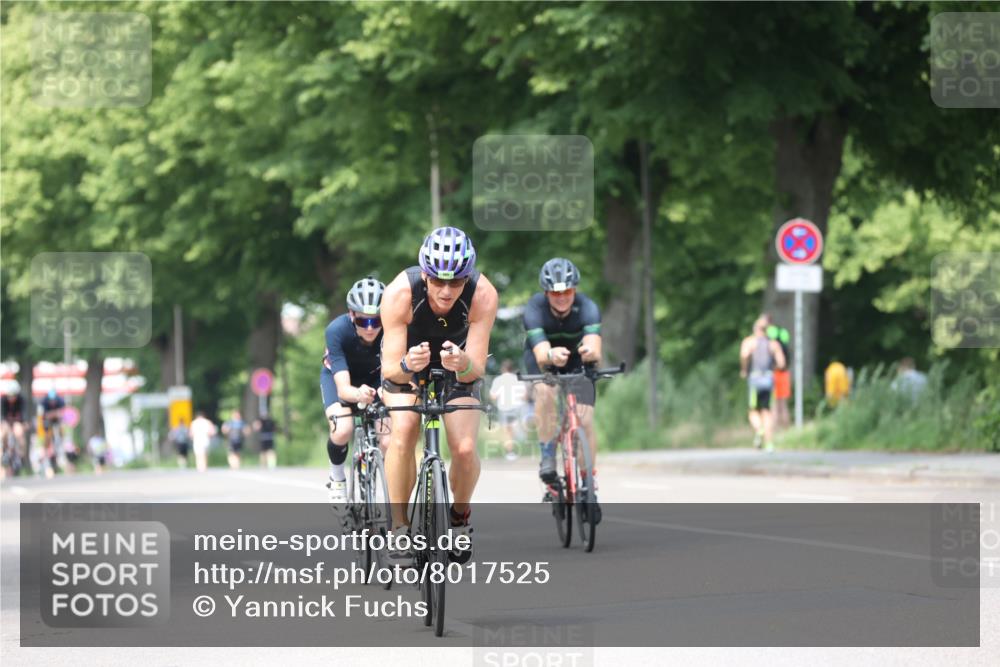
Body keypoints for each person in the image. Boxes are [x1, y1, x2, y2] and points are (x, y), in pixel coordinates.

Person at [381, 226, 498, 564]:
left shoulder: (483, 294)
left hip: (459, 366)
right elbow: (390, 370)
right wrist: (407, 363)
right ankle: (400, 527)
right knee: (402, 433)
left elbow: (476, 370)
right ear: (425, 275)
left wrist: (462, 364)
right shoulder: (399, 294)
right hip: (408, 367)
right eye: (438, 281)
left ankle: (460, 518)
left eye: (457, 282)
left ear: (468, 277)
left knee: (463, 448)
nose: (447, 291)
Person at [522, 257, 604, 520]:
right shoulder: (534, 308)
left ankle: (588, 484)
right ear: (546, 292)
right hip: (543, 359)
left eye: (567, 291)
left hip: (578, 359)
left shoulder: (588, 307)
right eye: (556, 293)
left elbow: (594, 347)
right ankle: (548, 456)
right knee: (545, 392)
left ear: (574, 290)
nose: (561, 297)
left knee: (585, 419)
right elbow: (541, 351)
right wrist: (551, 356)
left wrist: (589, 351)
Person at [321, 275, 388, 504]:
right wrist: (359, 394)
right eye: (363, 322)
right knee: (342, 429)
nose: (370, 329)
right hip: (340, 379)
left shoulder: (394, 329)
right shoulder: (336, 331)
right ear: (352, 315)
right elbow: (343, 389)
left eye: (376, 321)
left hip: (377, 381)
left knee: (388, 438)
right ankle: (337, 477)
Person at [740, 315, 786, 451]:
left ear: (755, 329)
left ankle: (759, 429)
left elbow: (744, 355)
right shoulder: (773, 344)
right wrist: (774, 368)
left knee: (753, 411)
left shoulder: (749, 342)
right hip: (768, 379)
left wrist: (744, 370)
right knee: (767, 411)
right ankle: (769, 443)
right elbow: (782, 363)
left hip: (754, 379)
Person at [489, 359, 527, 461]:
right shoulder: (518, 379)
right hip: (517, 407)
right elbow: (524, 395)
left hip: (504, 408)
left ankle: (510, 452)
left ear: (503, 369)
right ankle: (519, 437)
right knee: (512, 429)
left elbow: (493, 396)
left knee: (507, 431)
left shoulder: (498, 380)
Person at [767, 325, 792, 429]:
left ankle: (775, 427)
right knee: (783, 404)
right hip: (785, 375)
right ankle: (786, 427)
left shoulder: (773, 347)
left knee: (774, 403)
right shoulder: (786, 347)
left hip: (775, 374)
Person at [1, 384, 27, 477]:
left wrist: (24, 423)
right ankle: (3, 451)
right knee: (3, 433)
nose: (11, 398)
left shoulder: (21, 400)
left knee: (19, 433)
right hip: (6, 422)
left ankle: (21, 456)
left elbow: (24, 414)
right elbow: (2, 416)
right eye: (9, 396)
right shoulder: (3, 400)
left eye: (13, 396)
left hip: (17, 422)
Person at [39, 388, 66, 478]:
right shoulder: (44, 402)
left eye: (54, 401)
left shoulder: (61, 401)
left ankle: (60, 442)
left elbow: (63, 413)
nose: (52, 403)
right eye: (51, 401)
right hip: (47, 420)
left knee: (61, 428)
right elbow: (43, 415)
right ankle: (46, 448)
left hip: (57, 420)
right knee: (47, 434)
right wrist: (54, 414)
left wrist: (54, 414)